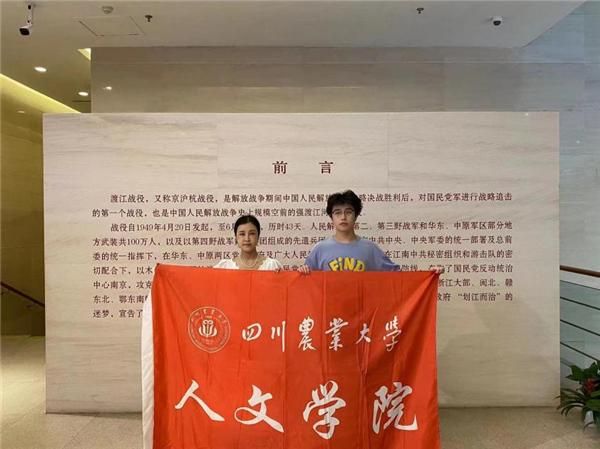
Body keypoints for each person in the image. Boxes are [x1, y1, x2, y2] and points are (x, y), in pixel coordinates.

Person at [298, 190, 444, 274]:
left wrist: (429, 274)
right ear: (331, 217)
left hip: (362, 313)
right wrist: (302, 272)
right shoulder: (320, 249)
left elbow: (397, 277)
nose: (343, 217)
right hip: (329, 313)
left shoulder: (369, 248)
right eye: (337, 213)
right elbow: (306, 283)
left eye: (348, 212)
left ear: (356, 215)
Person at [214, 214, 283, 271]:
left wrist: (279, 277)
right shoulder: (225, 267)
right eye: (242, 234)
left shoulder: (271, 266)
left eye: (252, 234)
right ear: (236, 238)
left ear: (258, 236)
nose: (247, 239)